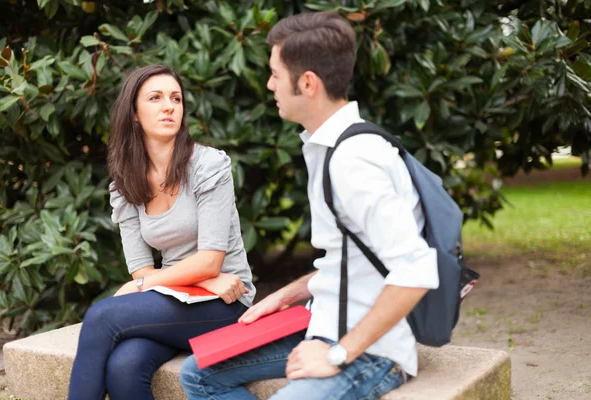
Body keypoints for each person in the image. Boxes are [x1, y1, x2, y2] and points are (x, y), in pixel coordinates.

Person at [179, 11, 439, 400]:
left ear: (308, 83)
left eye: (275, 75)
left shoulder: (354, 160)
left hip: (369, 352)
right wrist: (291, 294)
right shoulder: (330, 146)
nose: (269, 85)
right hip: (320, 322)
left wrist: (337, 353)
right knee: (198, 373)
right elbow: (352, 258)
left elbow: (416, 270)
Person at [68, 65, 256, 400]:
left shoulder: (208, 166)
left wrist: (146, 284)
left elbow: (211, 260)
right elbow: (141, 269)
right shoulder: (125, 184)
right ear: (135, 114)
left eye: (176, 98)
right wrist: (193, 278)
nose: (169, 106)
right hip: (179, 297)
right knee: (124, 367)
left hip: (227, 301)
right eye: (155, 98)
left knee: (101, 316)